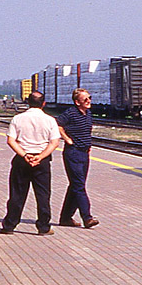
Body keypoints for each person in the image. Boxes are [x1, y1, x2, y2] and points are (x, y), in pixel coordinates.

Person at [0, 90, 62, 235]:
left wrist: (25, 155)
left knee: (17, 194)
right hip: (42, 161)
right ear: (44, 103)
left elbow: (11, 140)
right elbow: (54, 143)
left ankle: (9, 225)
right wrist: (40, 157)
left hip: (22, 160)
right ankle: (43, 227)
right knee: (43, 195)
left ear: (28, 102)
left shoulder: (18, 118)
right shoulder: (50, 120)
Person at [57, 88, 99, 228]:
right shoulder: (70, 113)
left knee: (76, 185)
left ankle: (65, 218)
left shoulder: (88, 113)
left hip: (84, 153)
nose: (88, 101)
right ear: (77, 102)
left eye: (89, 98)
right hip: (73, 153)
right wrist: (67, 139)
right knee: (79, 186)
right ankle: (87, 217)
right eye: (85, 99)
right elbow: (57, 125)